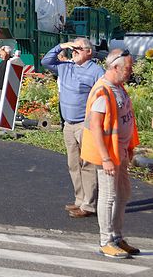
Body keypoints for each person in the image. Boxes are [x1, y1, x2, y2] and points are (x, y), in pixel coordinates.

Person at [81, 49, 140, 258]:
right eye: (128, 68)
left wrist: (130, 147)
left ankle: (116, 237)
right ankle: (106, 240)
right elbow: (96, 127)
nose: (130, 72)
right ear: (115, 67)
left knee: (123, 194)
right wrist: (105, 158)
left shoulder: (118, 88)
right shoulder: (102, 91)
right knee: (108, 197)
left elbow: (126, 119)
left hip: (120, 152)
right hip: (108, 155)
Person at [42, 38, 104, 218]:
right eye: (73, 49)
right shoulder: (65, 67)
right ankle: (80, 199)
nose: (74, 51)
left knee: (88, 165)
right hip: (68, 124)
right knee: (73, 164)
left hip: (85, 125)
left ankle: (89, 204)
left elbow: (104, 96)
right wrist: (61, 46)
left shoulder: (96, 71)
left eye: (78, 49)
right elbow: (45, 61)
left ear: (89, 52)